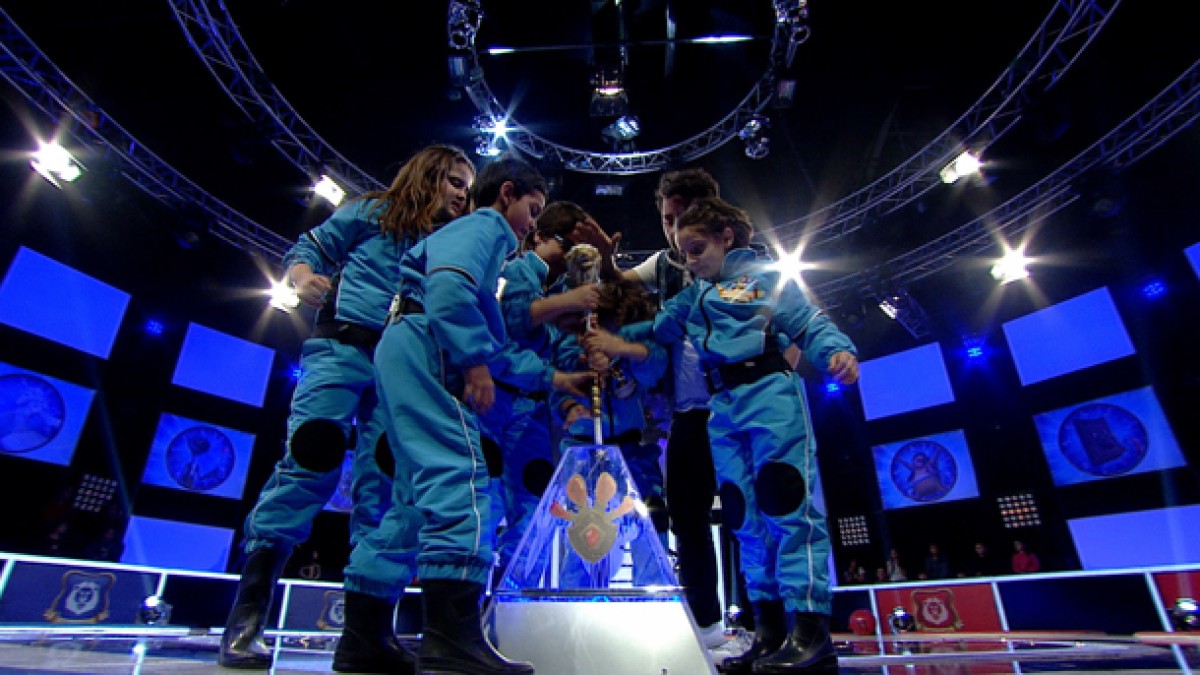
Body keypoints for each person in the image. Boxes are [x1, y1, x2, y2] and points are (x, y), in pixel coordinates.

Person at [219, 144, 475, 672]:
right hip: (341, 349)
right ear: (428, 175)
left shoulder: (453, 242)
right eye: (454, 181)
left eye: (466, 187)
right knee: (310, 459)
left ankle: (366, 634)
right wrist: (303, 278)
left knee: (384, 486)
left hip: (401, 370)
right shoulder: (370, 211)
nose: (461, 194)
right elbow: (308, 248)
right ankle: (246, 621)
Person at [372, 155, 592, 674]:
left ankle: (365, 634)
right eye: (532, 211)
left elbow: (491, 336)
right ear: (506, 194)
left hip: (410, 341)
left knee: (411, 496)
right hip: (429, 344)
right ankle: (451, 642)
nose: (531, 226)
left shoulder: (478, 240)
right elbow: (450, 293)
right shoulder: (487, 226)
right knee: (463, 476)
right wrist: (474, 365)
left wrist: (554, 378)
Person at [649, 197, 859, 674]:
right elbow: (656, 329)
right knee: (742, 515)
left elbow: (807, 321)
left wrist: (837, 351)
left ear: (726, 236)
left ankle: (811, 631)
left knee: (786, 503)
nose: (691, 260)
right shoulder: (691, 297)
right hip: (722, 406)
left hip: (770, 393)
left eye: (698, 249)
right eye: (684, 254)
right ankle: (769, 630)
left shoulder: (763, 276)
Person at [601, 167, 731, 650]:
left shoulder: (747, 265)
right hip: (687, 416)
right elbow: (619, 283)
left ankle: (776, 625)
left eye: (680, 218)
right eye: (666, 220)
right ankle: (707, 628)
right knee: (687, 517)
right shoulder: (664, 265)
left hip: (739, 407)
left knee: (752, 513)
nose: (673, 231)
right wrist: (605, 255)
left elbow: (789, 329)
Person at [478, 200, 602, 578]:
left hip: (536, 412)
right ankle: (471, 597)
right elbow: (508, 329)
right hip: (496, 403)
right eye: (567, 245)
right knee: (483, 505)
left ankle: (517, 597)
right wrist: (567, 303)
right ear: (540, 237)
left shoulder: (568, 289)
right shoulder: (516, 272)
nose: (572, 257)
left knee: (533, 507)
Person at [555, 276, 669, 587]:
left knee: (649, 523)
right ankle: (576, 603)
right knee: (580, 534)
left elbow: (655, 366)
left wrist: (620, 350)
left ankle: (655, 596)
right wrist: (569, 407)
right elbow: (556, 387)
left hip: (633, 452)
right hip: (582, 452)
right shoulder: (571, 342)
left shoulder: (637, 345)